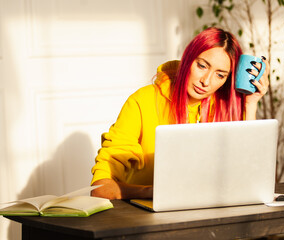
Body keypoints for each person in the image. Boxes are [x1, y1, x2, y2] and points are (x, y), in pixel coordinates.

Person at [90, 27, 270, 200]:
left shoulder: (222, 108)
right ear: (188, 60)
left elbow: (249, 177)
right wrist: (155, 193)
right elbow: (101, 189)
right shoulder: (142, 101)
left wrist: (250, 103)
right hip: (143, 218)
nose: (206, 81)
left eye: (220, 75)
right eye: (202, 66)